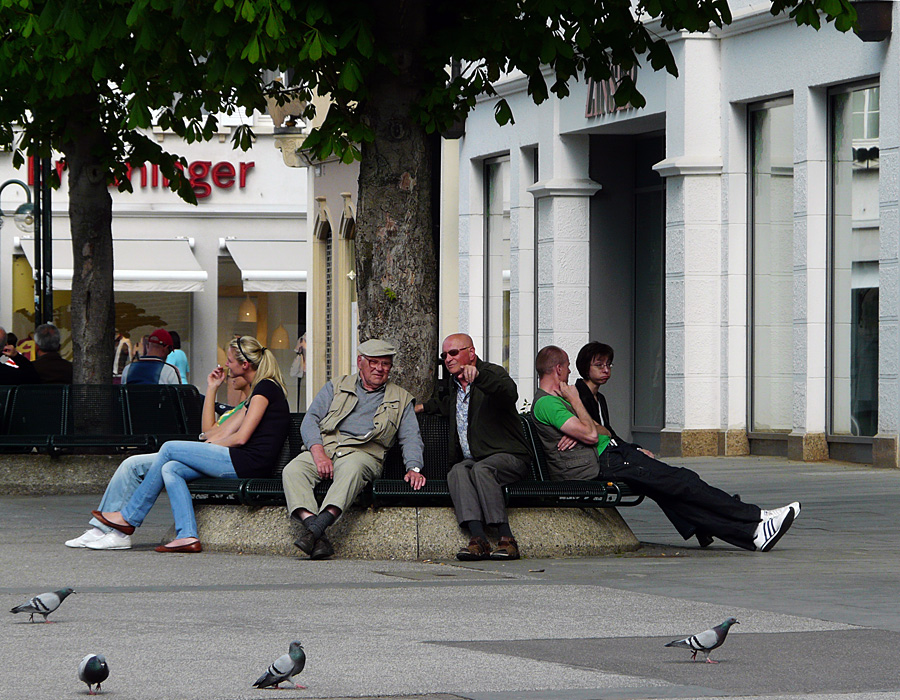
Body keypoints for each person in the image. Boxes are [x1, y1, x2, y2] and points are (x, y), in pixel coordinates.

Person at [530, 344, 801, 553]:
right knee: (682, 481)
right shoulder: (552, 402)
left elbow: (596, 430)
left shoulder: (557, 400)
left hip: (609, 454)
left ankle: (753, 534)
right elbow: (591, 432)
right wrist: (578, 406)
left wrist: (582, 428)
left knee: (676, 490)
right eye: (566, 368)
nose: (568, 373)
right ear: (557, 369)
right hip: (603, 462)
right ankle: (756, 516)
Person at [88, 336, 290, 553]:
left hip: (248, 462)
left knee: (169, 448)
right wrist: (207, 439)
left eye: (230, 361)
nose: (226, 365)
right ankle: (187, 536)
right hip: (239, 459)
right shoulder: (256, 393)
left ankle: (129, 517)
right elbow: (215, 432)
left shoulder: (266, 388)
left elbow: (241, 437)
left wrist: (207, 446)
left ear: (245, 364)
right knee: (171, 468)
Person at [66, 369, 254, 550]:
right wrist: (212, 388)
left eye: (232, 367)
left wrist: (205, 444)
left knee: (141, 463)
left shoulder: (250, 405)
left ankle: (118, 530)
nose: (229, 375)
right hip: (205, 452)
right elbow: (207, 432)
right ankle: (104, 530)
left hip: (214, 458)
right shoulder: (239, 407)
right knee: (132, 463)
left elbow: (223, 439)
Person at [281, 339, 426, 560]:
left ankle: (315, 529)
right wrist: (318, 453)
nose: (379, 368)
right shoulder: (336, 386)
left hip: (364, 454)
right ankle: (317, 534)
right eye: (373, 362)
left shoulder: (401, 398)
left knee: (352, 469)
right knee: (293, 470)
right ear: (360, 362)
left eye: (385, 364)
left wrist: (413, 467)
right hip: (327, 449)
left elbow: (411, 437)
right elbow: (310, 420)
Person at [416, 333, 531, 561]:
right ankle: (478, 539)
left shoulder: (491, 373)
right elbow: (446, 406)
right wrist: (419, 408)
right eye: (444, 355)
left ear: (471, 352)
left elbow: (508, 393)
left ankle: (506, 539)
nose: (448, 358)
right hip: (477, 458)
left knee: (481, 470)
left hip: (509, 456)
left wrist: (480, 377)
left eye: (453, 352)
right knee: (458, 471)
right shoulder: (454, 385)